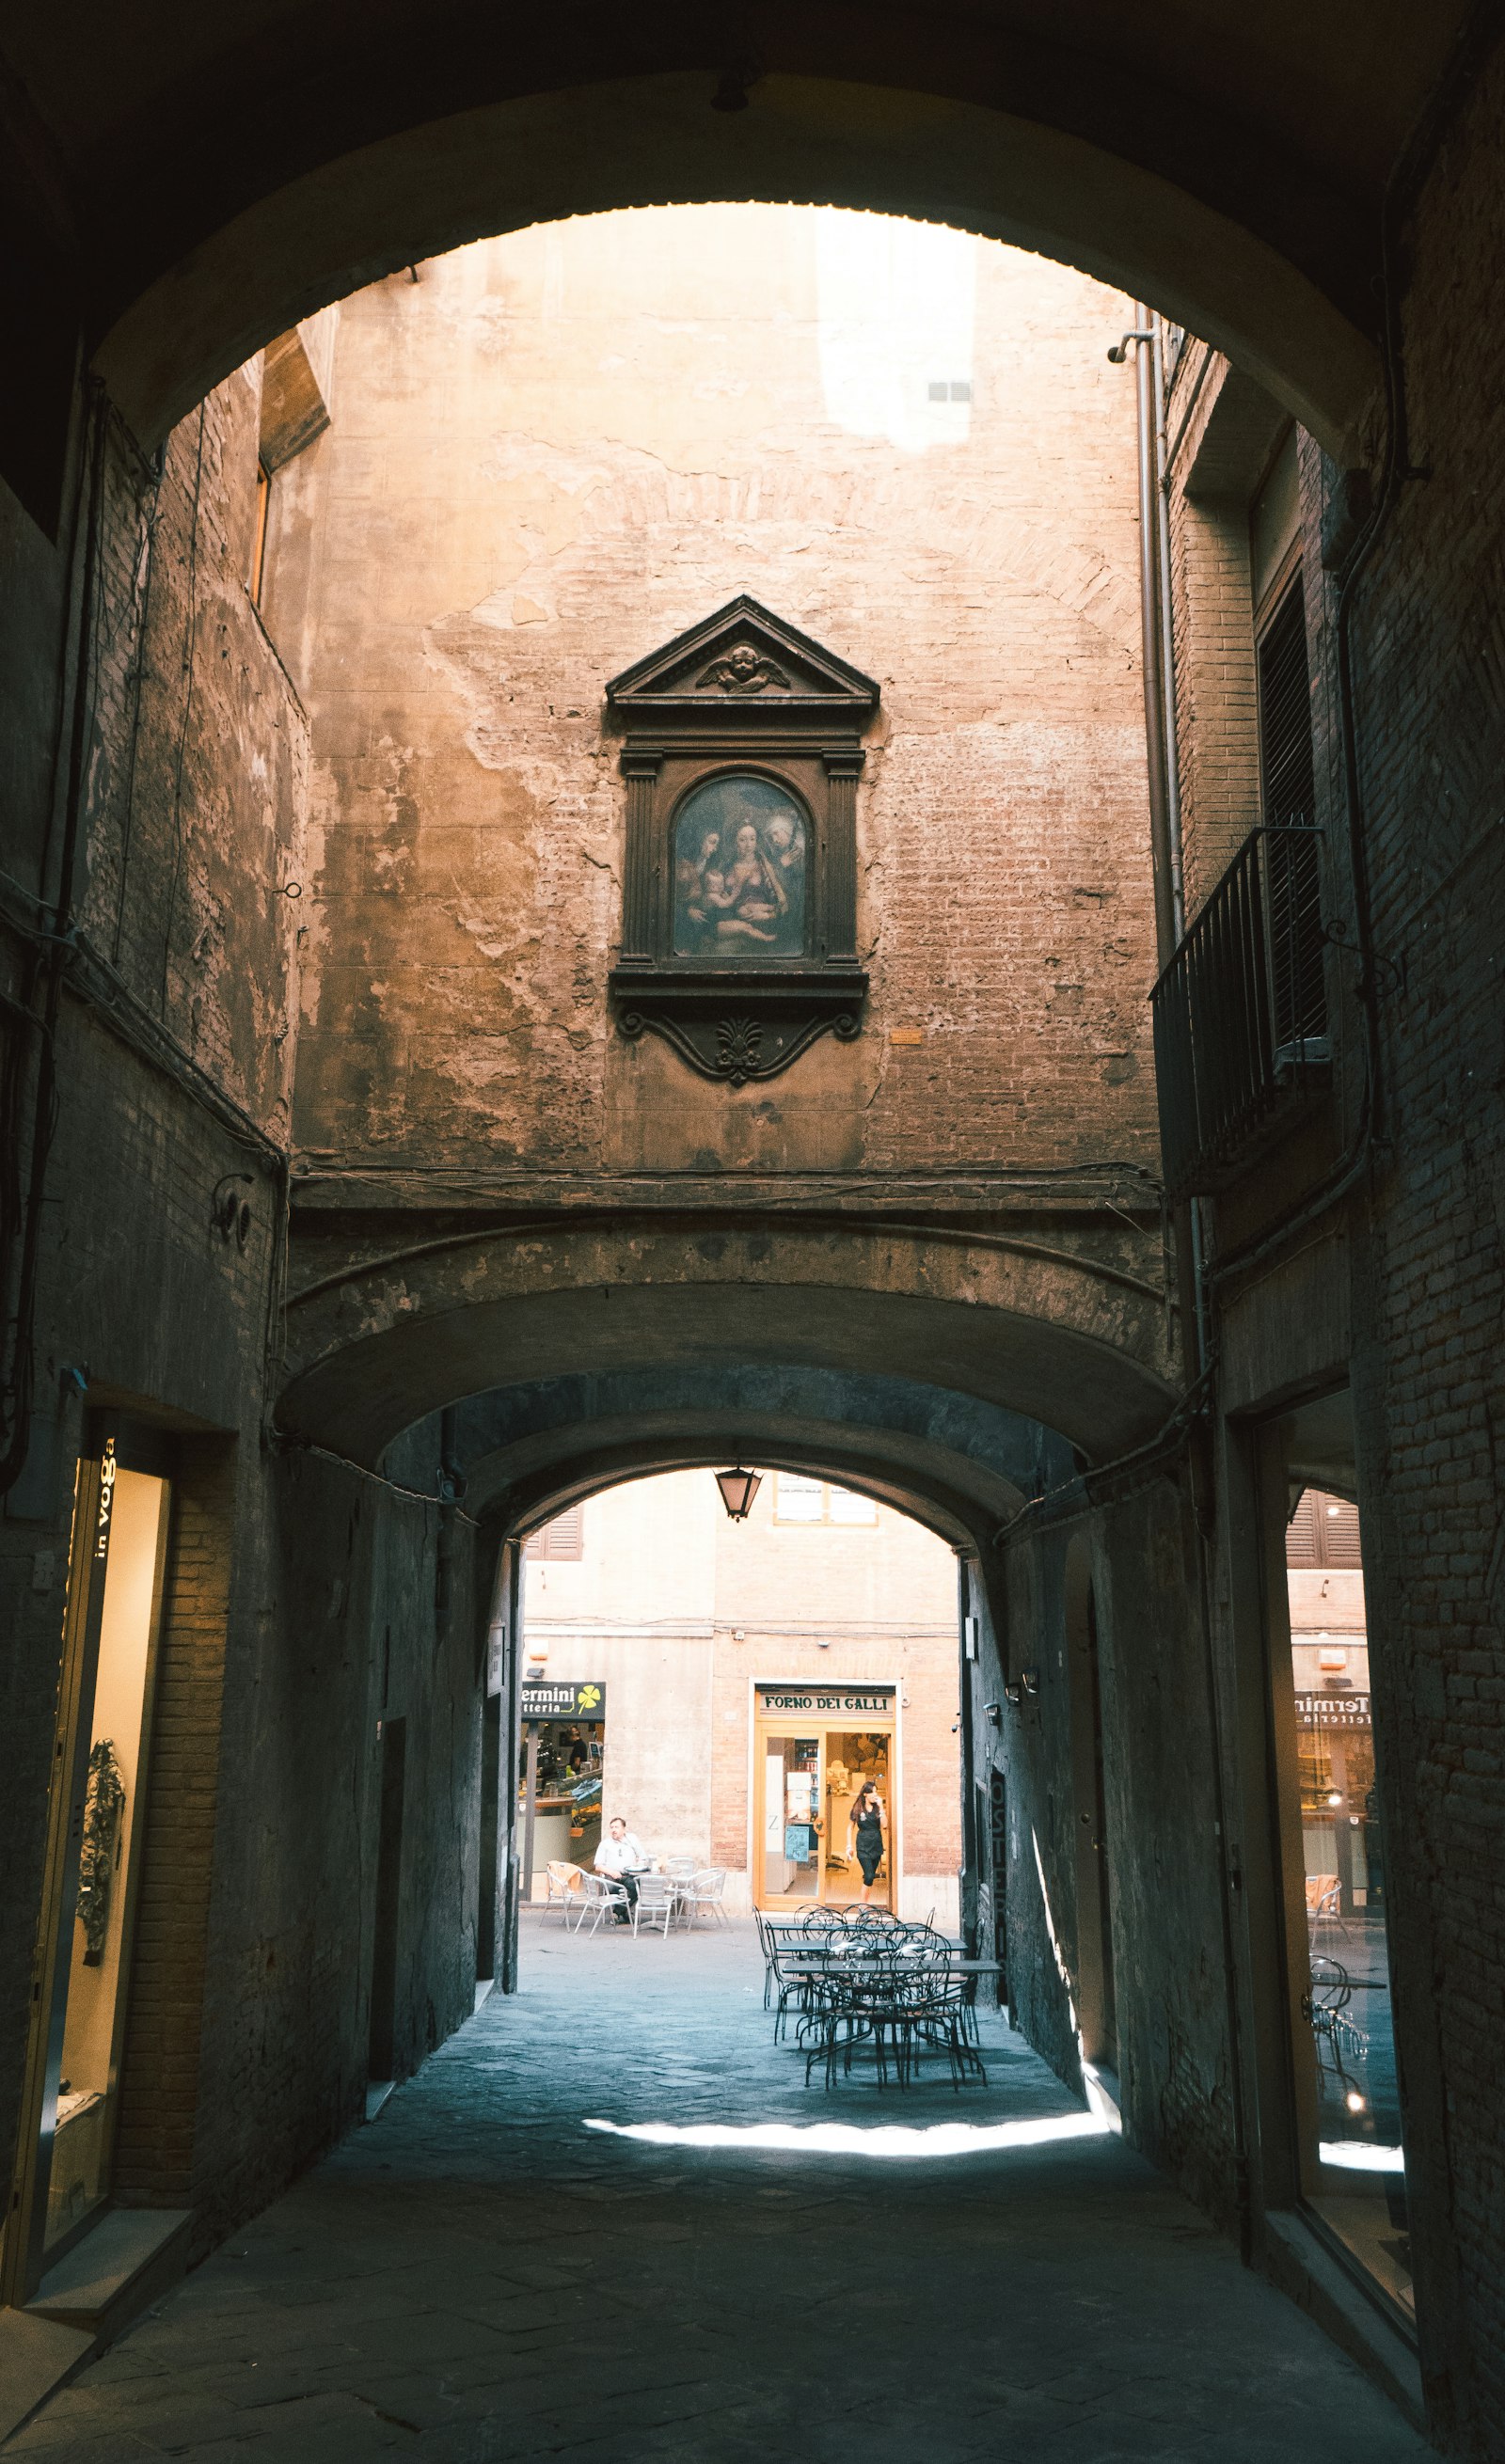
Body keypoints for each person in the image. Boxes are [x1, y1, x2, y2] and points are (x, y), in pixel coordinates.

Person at [595, 1814, 649, 1924]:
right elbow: (598, 1866)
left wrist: (638, 1866)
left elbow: (643, 1857)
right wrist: (612, 1872)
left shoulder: (632, 1840)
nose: (613, 1830)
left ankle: (617, 1912)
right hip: (611, 1875)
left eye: (617, 1827)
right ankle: (624, 1912)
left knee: (637, 1886)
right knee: (610, 1887)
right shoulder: (605, 1844)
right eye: (612, 1827)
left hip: (629, 1875)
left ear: (624, 1829)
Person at [848, 1781, 887, 1905]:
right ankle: (863, 1906)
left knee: (870, 1879)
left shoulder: (877, 1808)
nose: (874, 1794)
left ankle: (864, 1904)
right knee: (869, 1875)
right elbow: (850, 1827)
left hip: (876, 1844)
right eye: (872, 1792)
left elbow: (885, 1825)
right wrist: (848, 1845)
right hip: (863, 1845)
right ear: (865, 1794)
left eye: (876, 1791)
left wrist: (881, 1807)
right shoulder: (858, 1808)